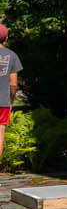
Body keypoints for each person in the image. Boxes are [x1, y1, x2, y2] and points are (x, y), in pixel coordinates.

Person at [0, 24, 21, 164]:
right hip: (2, 102)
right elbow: (13, 84)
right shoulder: (12, 55)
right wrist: (11, 101)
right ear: (6, 38)